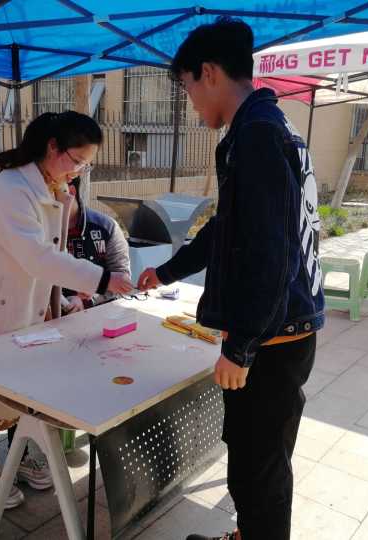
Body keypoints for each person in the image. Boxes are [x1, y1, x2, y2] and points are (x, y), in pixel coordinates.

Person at [136, 17, 325, 540]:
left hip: (272, 338)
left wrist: (240, 347)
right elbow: (230, 228)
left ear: (209, 72)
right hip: (282, 329)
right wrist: (167, 271)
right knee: (253, 457)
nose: (192, 104)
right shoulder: (267, 126)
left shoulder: (258, 134)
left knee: (258, 470)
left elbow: (272, 251)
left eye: (187, 88)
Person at [0, 111, 133, 509]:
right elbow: (38, 256)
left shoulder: (50, 185)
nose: (78, 171)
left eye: (85, 165)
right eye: (77, 161)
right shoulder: (12, 188)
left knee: (21, 389)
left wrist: (58, 301)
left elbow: (48, 255)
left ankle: (19, 459)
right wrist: (102, 279)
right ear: (52, 147)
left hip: (24, 303)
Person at [61, 176, 131, 313]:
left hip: (99, 314)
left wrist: (87, 300)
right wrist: (61, 300)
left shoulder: (107, 226)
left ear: (71, 192)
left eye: (49, 193)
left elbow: (122, 280)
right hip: (47, 317)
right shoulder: (39, 229)